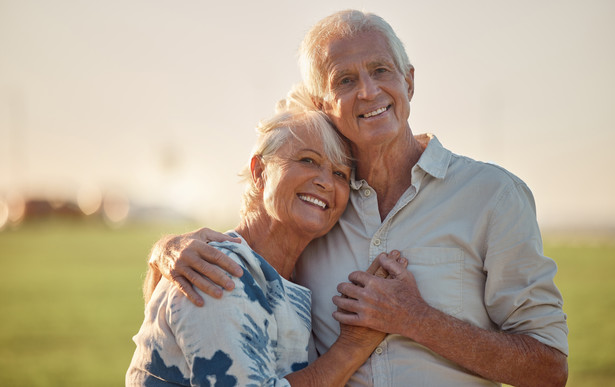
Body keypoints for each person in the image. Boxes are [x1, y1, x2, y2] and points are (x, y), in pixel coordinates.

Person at [147, 10, 569, 386]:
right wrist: (164, 252)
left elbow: (550, 369)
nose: (368, 91)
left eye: (381, 70)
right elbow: (191, 317)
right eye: (345, 80)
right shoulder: (319, 214)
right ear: (321, 103)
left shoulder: (493, 196)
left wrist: (416, 319)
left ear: (409, 80)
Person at [126, 102, 407, 386]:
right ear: (260, 171)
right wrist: (354, 346)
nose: (326, 182)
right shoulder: (217, 272)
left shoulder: (288, 278)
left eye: (340, 174)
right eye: (308, 160)